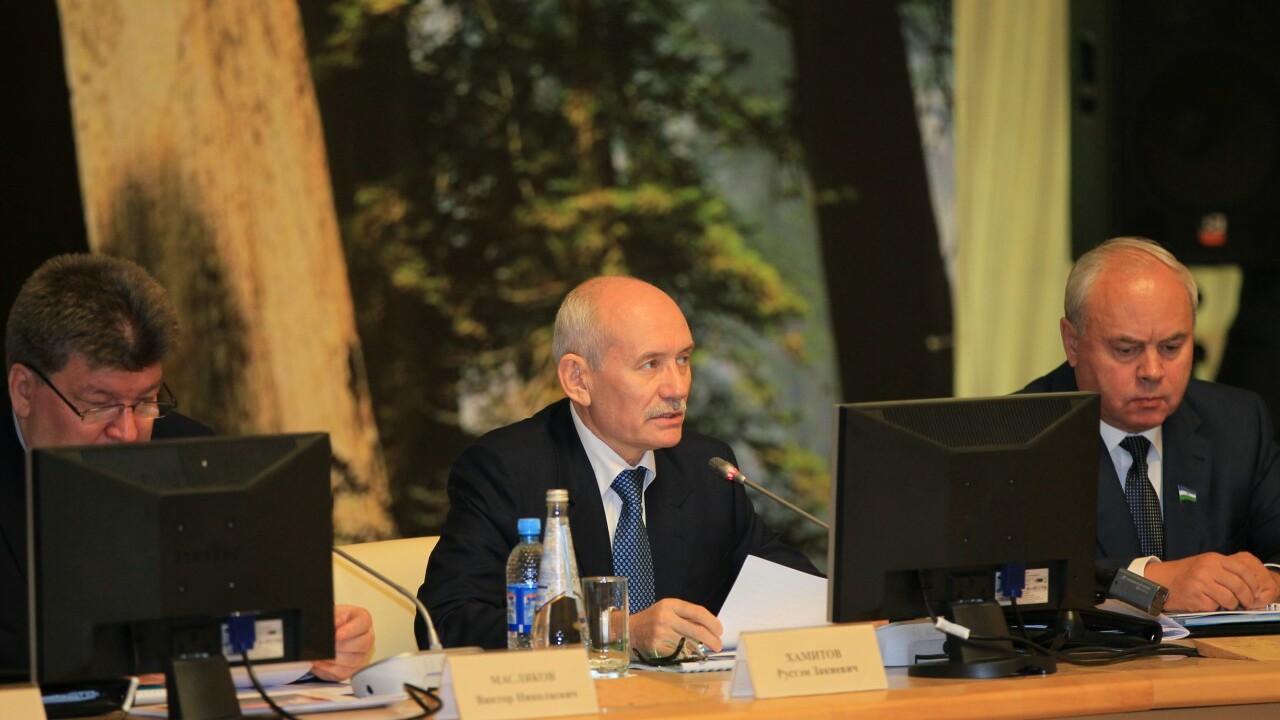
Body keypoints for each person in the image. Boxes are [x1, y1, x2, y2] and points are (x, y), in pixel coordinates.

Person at [1, 253, 372, 680]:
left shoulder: (188, 453)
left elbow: (240, 616)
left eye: (146, 401)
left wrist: (316, 645)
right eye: (100, 405)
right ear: (24, 390)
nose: (127, 432)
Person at [418, 275, 819, 655]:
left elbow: (798, 589)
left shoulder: (706, 468)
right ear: (578, 379)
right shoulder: (508, 469)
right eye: (650, 364)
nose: (677, 388)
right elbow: (446, 622)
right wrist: (614, 632)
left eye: (682, 359)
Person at [1022, 237, 1280, 612]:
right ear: (1072, 342)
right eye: (1126, 350)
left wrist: (1268, 581)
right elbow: (1010, 580)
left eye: (1171, 347)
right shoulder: (1018, 436)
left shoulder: (1237, 422)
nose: (1153, 371)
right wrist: (1151, 582)